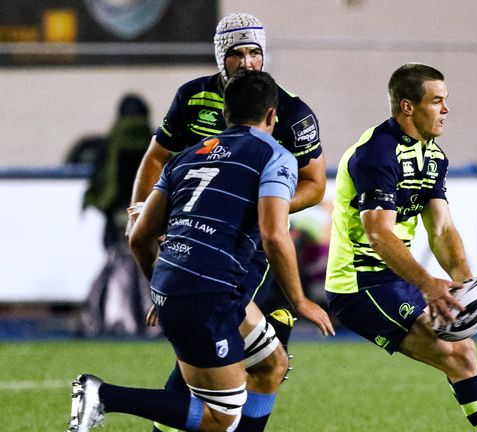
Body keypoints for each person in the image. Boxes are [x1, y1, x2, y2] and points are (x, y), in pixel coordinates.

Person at [69, 70, 330, 432]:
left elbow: (140, 236)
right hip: (210, 291)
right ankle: (104, 395)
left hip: (191, 283)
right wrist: (300, 301)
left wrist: (158, 291)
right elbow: (273, 234)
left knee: (272, 366)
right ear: (272, 115)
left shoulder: (187, 155)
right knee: (220, 419)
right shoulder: (275, 155)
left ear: (225, 114)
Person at [324, 63, 477, 432]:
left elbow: (442, 228)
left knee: (462, 351)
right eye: (437, 101)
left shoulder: (433, 156)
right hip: (358, 285)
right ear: (407, 107)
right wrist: (429, 284)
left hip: (393, 279)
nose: (446, 110)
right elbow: (379, 234)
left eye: (445, 101)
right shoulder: (375, 154)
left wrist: (463, 280)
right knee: (455, 352)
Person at [126, 12, 330, 432]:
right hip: (211, 249)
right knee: (229, 361)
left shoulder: (290, 111)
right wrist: (138, 211)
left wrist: (256, 206)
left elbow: (315, 185)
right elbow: (156, 157)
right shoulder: (192, 96)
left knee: (269, 361)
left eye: (254, 52)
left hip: (249, 244)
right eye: (236, 53)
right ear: (221, 58)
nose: (247, 61)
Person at [79, 94, 157, 338]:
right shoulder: (153, 140)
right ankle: (151, 323)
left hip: (118, 214)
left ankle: (113, 320)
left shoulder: (112, 142)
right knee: (150, 267)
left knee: (118, 268)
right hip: (150, 213)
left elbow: (101, 179)